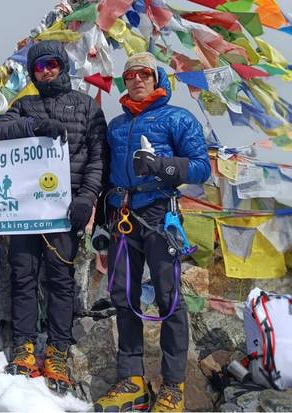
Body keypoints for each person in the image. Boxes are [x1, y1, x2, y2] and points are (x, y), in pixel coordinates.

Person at [93, 52, 211, 412]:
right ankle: (131, 380)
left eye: (144, 73)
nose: (136, 80)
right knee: (122, 294)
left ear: (157, 77)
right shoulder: (114, 126)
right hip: (122, 214)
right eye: (129, 75)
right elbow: (106, 175)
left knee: (168, 295)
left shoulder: (178, 117)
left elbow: (201, 167)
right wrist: (101, 218)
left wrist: (163, 166)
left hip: (160, 211)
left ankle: (173, 386)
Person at [0, 40, 108, 394]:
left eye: (51, 64)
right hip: (27, 210)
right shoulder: (23, 105)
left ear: (62, 66)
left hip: (65, 210)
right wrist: (35, 127)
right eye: (39, 67)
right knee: (23, 275)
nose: (46, 71)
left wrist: (87, 199)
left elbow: (97, 158)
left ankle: (58, 348)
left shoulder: (86, 106)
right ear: (32, 72)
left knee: (60, 278)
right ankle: (25, 345)